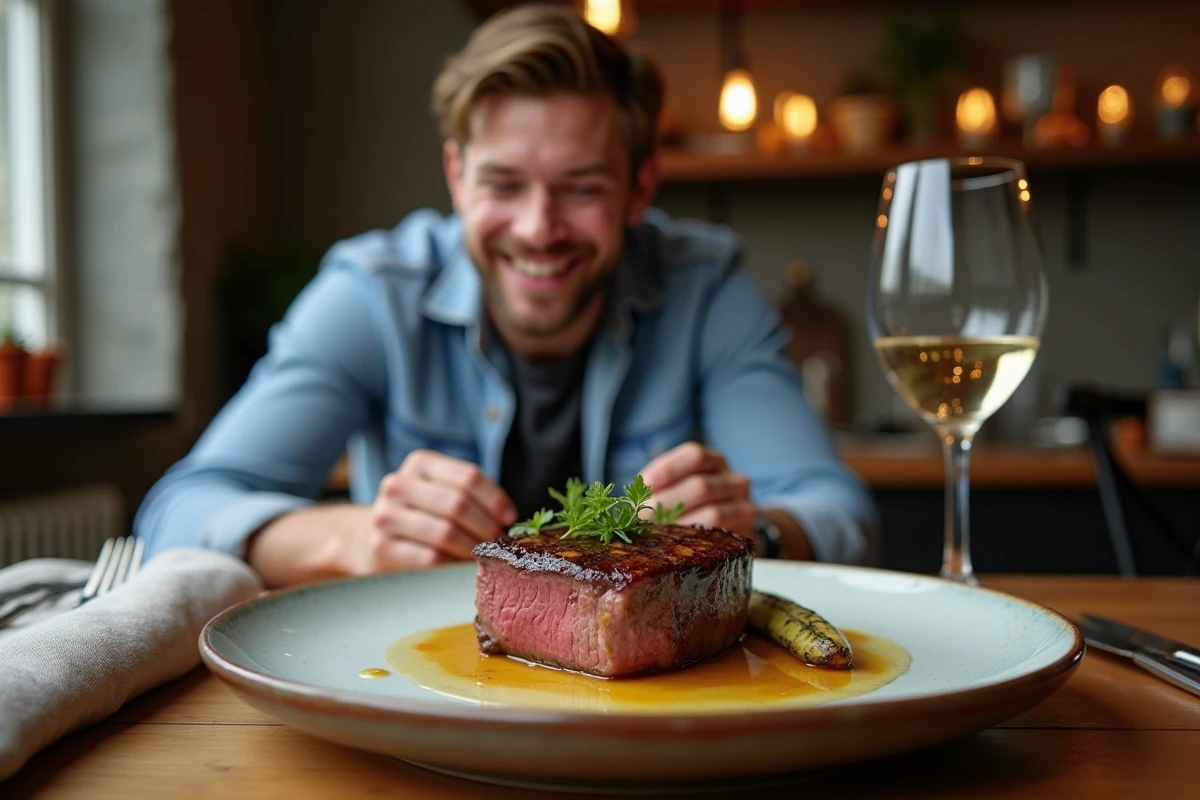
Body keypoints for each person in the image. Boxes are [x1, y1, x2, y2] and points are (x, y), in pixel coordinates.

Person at [134, 4, 878, 587]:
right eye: (503, 185)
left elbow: (843, 517)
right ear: (457, 177)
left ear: (638, 188)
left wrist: (758, 530)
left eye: (581, 188)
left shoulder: (706, 288)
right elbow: (177, 511)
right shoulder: (372, 292)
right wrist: (352, 538)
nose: (538, 228)